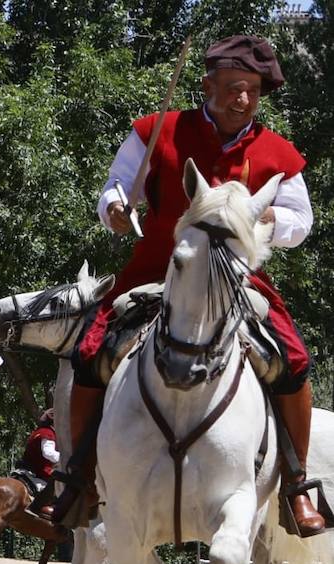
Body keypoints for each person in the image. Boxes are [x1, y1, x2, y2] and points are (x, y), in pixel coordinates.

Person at [54, 35, 324, 536]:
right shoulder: (158, 131)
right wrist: (115, 208)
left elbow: (301, 222)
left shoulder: (278, 153)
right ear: (208, 86)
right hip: (154, 271)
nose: (242, 99)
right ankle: (81, 478)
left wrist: (264, 215)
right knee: (90, 351)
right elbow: (116, 185)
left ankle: (295, 486)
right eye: (233, 88)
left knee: (293, 359)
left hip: (236, 281)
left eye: (252, 91)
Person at [16, 408, 59, 514]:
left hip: (31, 469)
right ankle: (41, 507)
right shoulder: (47, 433)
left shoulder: (39, 431)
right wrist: (66, 458)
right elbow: (48, 453)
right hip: (39, 472)